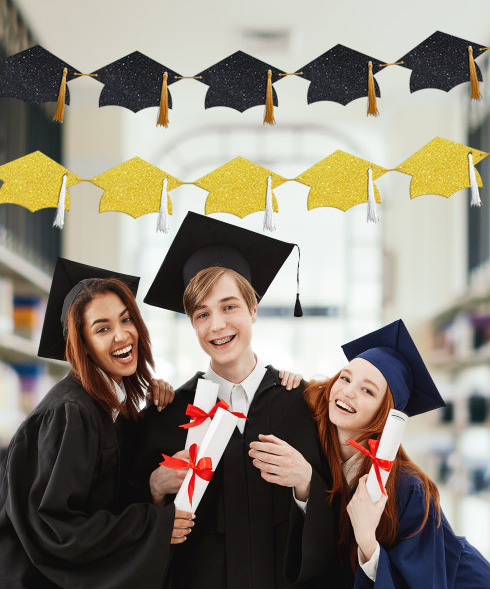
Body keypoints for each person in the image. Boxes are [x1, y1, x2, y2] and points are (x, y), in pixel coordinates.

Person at [133, 212, 338, 589]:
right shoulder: (169, 414)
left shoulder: (301, 404)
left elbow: (341, 513)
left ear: (253, 309)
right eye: (202, 314)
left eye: (229, 307)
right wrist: (155, 490)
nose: (217, 325)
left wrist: (307, 484)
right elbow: (132, 524)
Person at [0, 258, 195, 589]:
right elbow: (57, 528)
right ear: (82, 345)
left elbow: (99, 500)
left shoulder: (108, 406)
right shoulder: (70, 413)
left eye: (126, 319)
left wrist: (153, 488)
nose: (121, 335)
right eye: (102, 328)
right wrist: (152, 525)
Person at [250, 319, 490, 588]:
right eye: (345, 377)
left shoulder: (409, 489)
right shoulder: (319, 446)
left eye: (367, 390)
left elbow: (425, 581)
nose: (347, 391)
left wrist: (367, 539)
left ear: (385, 415)